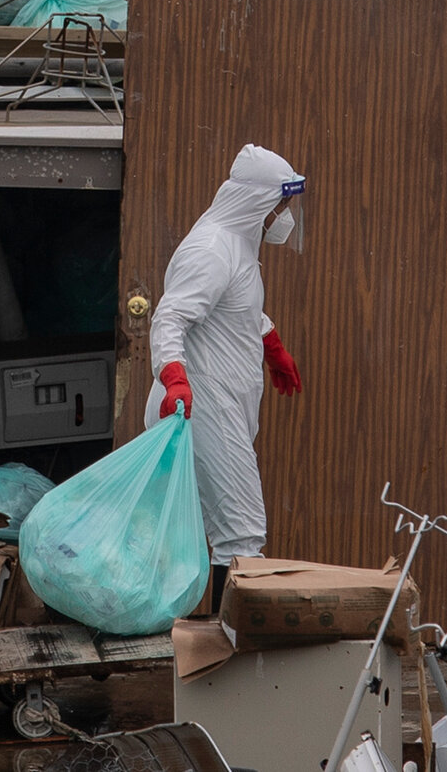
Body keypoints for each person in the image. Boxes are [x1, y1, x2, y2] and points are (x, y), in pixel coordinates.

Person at [145, 143, 305, 591]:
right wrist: (175, 378)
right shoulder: (213, 249)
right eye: (282, 204)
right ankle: (227, 648)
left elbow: (237, 308)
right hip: (201, 403)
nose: (285, 216)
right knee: (242, 536)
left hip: (215, 400)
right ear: (257, 201)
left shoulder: (238, 244)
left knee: (192, 530)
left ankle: (186, 638)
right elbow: (171, 316)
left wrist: (271, 345)